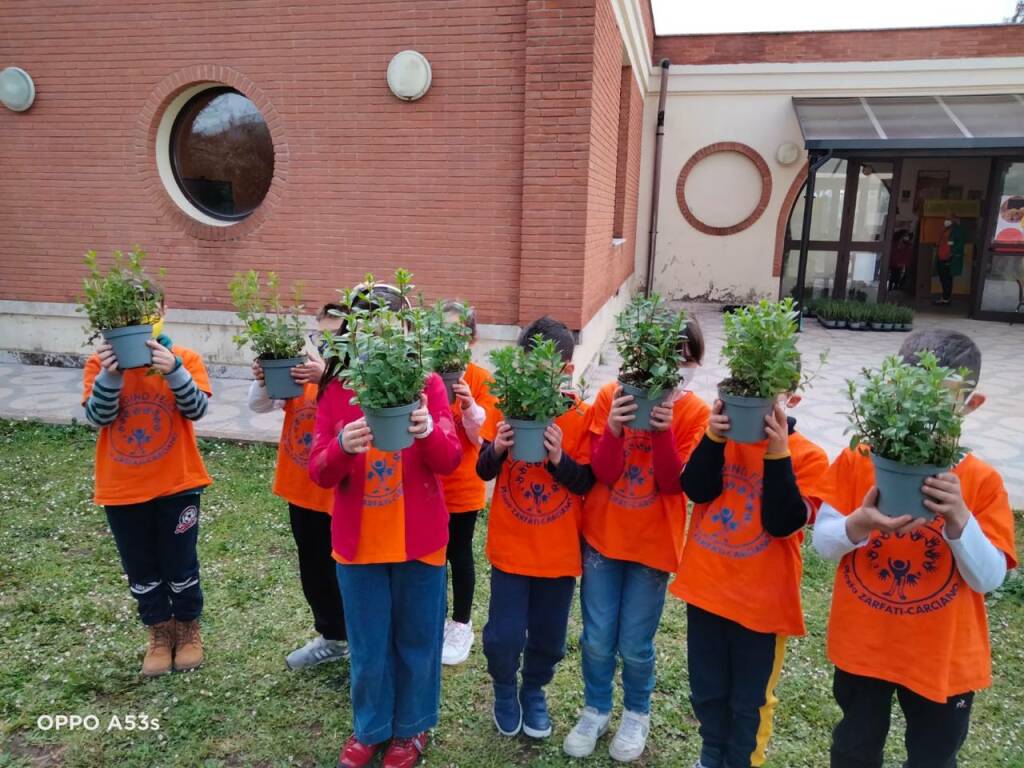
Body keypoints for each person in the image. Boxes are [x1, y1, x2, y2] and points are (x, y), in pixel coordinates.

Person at [812, 329, 1017, 768]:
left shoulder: (980, 482)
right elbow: (823, 543)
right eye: (910, 391)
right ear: (893, 388)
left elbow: (990, 578)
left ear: (970, 404)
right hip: (864, 645)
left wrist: (960, 518)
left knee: (934, 755)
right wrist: (858, 524)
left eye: (939, 398)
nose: (922, 411)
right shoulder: (860, 459)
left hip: (943, 656)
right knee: (853, 748)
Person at [308, 284, 462, 768]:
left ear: (407, 333)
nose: (380, 339)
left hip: (420, 543)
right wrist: (341, 446)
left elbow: (451, 458)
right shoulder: (336, 390)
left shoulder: (428, 384)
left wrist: (429, 431)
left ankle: (411, 730)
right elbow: (319, 470)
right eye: (369, 330)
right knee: (370, 646)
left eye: (390, 330)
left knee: (417, 642)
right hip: (359, 548)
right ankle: (371, 728)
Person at [564, 319, 710, 763]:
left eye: (684, 359)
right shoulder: (612, 396)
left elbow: (673, 484)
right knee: (597, 636)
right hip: (603, 540)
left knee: (635, 643)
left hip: (652, 547)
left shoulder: (695, 413)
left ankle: (636, 713)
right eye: (665, 357)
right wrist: (613, 427)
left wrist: (662, 431)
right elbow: (602, 474)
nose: (675, 368)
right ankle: (595, 708)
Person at [673, 391, 828, 768]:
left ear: (791, 397)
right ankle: (711, 754)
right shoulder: (716, 436)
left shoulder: (808, 456)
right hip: (707, 589)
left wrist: (777, 452)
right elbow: (695, 488)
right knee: (707, 689)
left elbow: (782, 522)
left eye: (768, 392)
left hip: (761, 604)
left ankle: (740, 761)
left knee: (750, 700)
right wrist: (713, 437)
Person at [82, 289, 212, 677]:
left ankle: (188, 628)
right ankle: (158, 631)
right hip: (122, 489)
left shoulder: (185, 359)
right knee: (140, 566)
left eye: (149, 310)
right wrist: (110, 374)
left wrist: (173, 370)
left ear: (163, 312)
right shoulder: (98, 363)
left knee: (180, 561)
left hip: (178, 484)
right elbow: (97, 417)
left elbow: (197, 409)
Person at [476, 316, 593, 740]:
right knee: (503, 635)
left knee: (550, 637)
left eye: (543, 367)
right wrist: (500, 449)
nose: (532, 374)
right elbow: (483, 470)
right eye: (526, 365)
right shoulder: (504, 406)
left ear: (565, 370)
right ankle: (505, 689)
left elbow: (588, 483)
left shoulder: (581, 417)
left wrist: (560, 459)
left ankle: (534, 689)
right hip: (511, 548)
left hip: (559, 555)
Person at [248, 303, 348, 670]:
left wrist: (329, 376)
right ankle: (333, 637)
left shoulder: (352, 376)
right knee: (313, 566)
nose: (323, 344)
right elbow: (258, 406)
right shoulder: (297, 370)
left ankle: (359, 636)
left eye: (334, 337)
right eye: (318, 336)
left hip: (340, 493)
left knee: (346, 570)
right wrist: (262, 380)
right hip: (302, 487)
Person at [438, 301, 498, 666]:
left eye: (458, 333)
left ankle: (461, 623)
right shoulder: (423, 374)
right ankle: (432, 618)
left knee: (458, 554)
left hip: (462, 485)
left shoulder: (479, 378)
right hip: (426, 487)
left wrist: (468, 405)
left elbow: (482, 438)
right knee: (428, 557)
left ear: (471, 339)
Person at [934, 218, 964, 305]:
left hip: (947, 258)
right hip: (942, 257)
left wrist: (952, 252)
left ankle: (945, 298)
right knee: (944, 278)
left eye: (948, 219)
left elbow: (957, 244)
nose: (945, 221)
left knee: (946, 279)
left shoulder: (955, 231)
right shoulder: (946, 229)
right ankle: (945, 297)